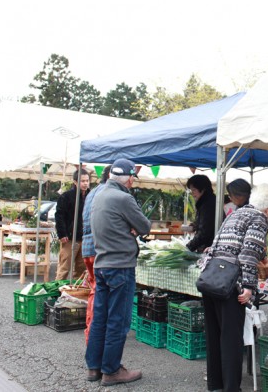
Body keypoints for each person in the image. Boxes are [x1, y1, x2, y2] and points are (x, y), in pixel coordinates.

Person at [85, 158, 151, 386]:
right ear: (130, 178)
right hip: (120, 265)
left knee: (100, 318)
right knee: (118, 320)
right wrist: (131, 230)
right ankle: (112, 370)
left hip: (102, 263)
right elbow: (145, 227)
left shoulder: (98, 194)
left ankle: (94, 367)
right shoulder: (123, 197)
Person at [202, 179, 268, 392]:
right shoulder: (259, 217)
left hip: (212, 278)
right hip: (231, 282)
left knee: (214, 336)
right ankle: (231, 388)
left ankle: (215, 385)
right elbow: (249, 254)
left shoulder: (236, 214)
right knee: (231, 339)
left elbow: (217, 245)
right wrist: (248, 287)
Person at [81, 165, 111, 344]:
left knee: (94, 291)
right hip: (99, 249)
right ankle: (94, 336)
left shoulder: (93, 192)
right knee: (100, 293)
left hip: (87, 248)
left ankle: (91, 333)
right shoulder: (107, 193)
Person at [55, 169, 90, 280]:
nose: (85, 183)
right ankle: (57, 291)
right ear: (75, 182)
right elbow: (59, 216)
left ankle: (76, 293)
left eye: (87, 181)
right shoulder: (66, 196)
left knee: (81, 269)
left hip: (84, 238)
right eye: (82, 181)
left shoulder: (91, 196)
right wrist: (62, 234)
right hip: (69, 238)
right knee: (64, 268)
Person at [186, 174, 219, 253]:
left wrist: (188, 247)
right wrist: (195, 225)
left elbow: (205, 232)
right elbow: (205, 223)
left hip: (209, 248)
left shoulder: (208, 204)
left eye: (194, 190)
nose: (192, 193)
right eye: (191, 190)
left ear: (203, 189)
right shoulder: (205, 202)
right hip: (207, 246)